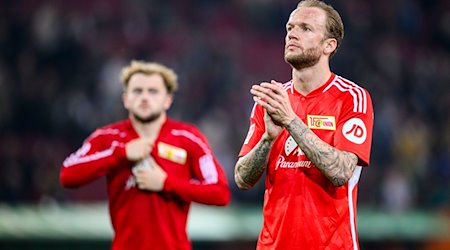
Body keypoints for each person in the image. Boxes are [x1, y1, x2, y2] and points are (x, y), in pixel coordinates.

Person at [234, 0, 373, 249]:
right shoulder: (272, 100)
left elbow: (341, 172)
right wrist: (267, 139)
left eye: (306, 28)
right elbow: (242, 178)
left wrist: (291, 121)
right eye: (290, 28)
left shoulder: (351, 97)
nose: (293, 34)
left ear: (329, 45)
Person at [60, 60, 231, 250]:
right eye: (137, 91)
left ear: (168, 99)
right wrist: (121, 154)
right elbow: (67, 175)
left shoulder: (188, 137)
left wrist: (166, 183)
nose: (144, 97)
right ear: (126, 98)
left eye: (153, 91)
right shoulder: (107, 138)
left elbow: (220, 192)